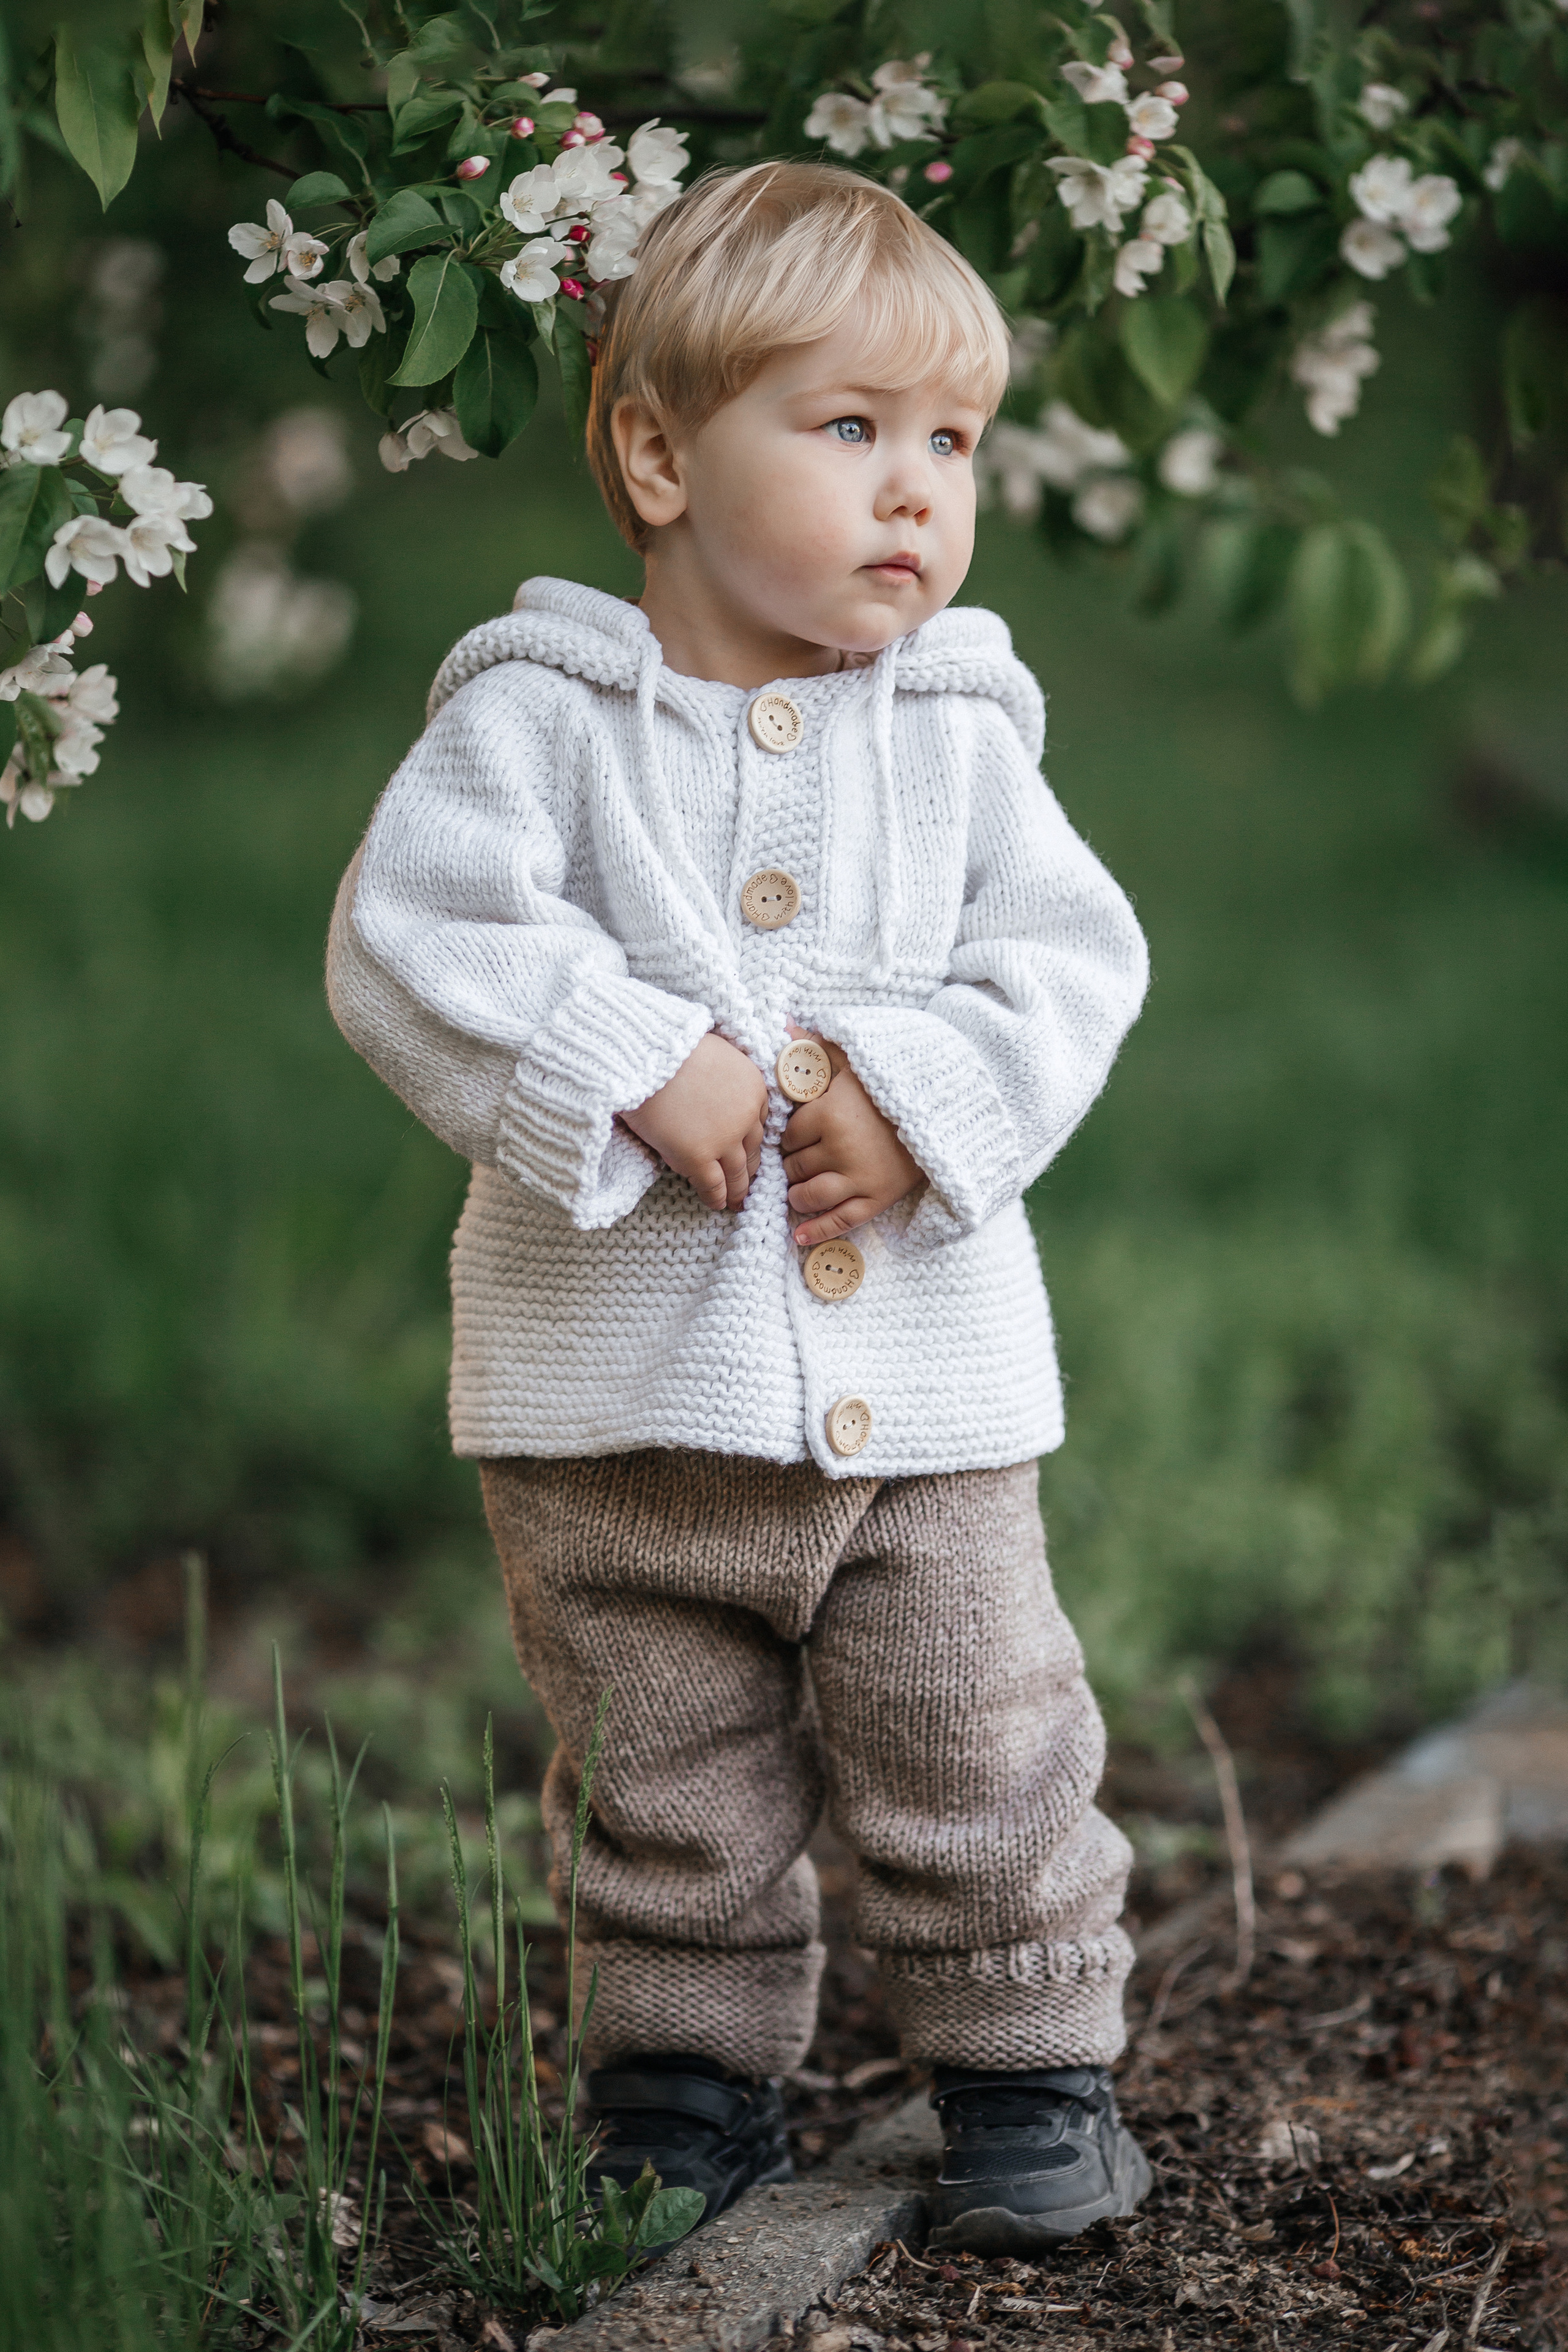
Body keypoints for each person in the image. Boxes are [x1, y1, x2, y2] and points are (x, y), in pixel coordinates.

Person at [326, 159, 1151, 2253]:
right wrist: (623, 1059)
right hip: (614, 1410)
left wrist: (923, 1096)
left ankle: (1031, 2074)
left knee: (981, 1735)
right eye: (852, 427)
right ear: (659, 448)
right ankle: (683, 2081)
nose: (916, 496)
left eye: (951, 442)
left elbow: (1071, 963)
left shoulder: (957, 730)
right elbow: (413, 939)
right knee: (662, 1780)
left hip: (928, 1411)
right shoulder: (540, 718)